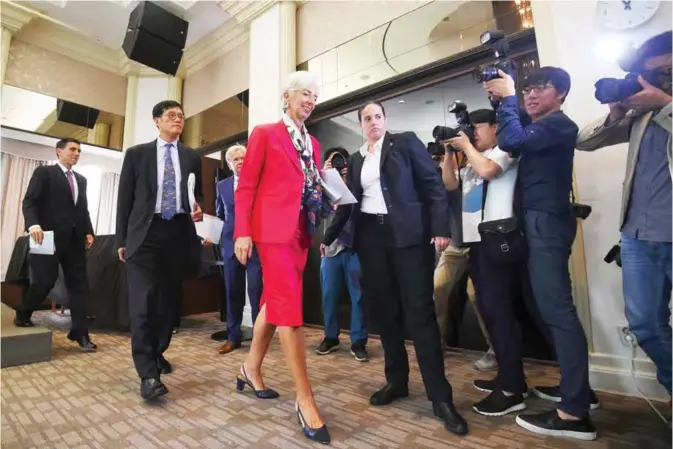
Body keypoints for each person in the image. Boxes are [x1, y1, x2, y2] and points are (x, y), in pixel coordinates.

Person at [323, 101, 468, 437]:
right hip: (371, 240)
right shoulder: (357, 159)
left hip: (409, 238)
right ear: (360, 123)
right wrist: (329, 236)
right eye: (366, 118)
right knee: (385, 313)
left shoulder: (405, 143)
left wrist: (441, 227)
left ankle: (440, 397)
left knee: (420, 313)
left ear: (385, 120)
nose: (372, 121)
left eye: (377, 116)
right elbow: (349, 205)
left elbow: (433, 185)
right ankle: (396, 381)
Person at [484, 67, 596, 439]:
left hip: (547, 223)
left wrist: (508, 95)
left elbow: (512, 139)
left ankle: (574, 413)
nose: (531, 95)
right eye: (528, 88)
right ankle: (576, 389)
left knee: (558, 312)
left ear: (561, 94)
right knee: (549, 309)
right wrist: (504, 100)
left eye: (541, 88)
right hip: (537, 222)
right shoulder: (542, 128)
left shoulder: (560, 125)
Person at [234, 71, 331, 445]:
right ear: (287, 97)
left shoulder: (315, 145)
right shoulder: (265, 133)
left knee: (271, 305)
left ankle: (250, 368)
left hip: (301, 234)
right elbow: (247, 187)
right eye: (305, 94)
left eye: (315, 96)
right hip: (271, 232)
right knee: (289, 310)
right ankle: (305, 400)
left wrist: (329, 193)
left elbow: (309, 186)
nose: (310, 100)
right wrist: (243, 231)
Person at [577, 31, 672, 398]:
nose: (653, 80)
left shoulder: (660, 107)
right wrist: (617, 110)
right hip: (637, 235)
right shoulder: (642, 115)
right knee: (645, 325)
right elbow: (585, 141)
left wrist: (664, 103)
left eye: (664, 71)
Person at [116, 100, 204, 400]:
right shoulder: (137, 154)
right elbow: (124, 201)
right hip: (145, 235)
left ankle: (156, 352)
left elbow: (198, 195)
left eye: (181, 115)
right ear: (157, 121)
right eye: (171, 116)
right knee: (142, 303)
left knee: (169, 305)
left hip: (178, 234)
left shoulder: (192, 156)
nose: (178, 120)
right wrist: (121, 240)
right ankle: (148, 375)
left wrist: (199, 209)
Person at [17, 138, 97, 351]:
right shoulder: (44, 174)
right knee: (44, 280)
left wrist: (88, 230)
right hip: (45, 237)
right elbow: (30, 201)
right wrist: (33, 224)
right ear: (58, 152)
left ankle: (81, 332)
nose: (76, 153)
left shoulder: (81, 180)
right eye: (72, 149)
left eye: (79, 150)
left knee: (80, 286)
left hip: (74, 239)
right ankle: (23, 313)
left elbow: (82, 209)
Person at [317, 147, 369, 362]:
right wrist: (323, 177)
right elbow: (316, 210)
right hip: (329, 249)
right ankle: (331, 336)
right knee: (329, 295)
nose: (338, 166)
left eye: (341, 162)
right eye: (333, 162)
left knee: (359, 296)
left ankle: (358, 341)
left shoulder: (357, 182)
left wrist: (348, 180)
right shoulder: (321, 184)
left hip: (355, 246)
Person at [215, 144, 263, 354]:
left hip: (256, 243)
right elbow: (220, 214)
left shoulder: (259, 182)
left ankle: (259, 338)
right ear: (229, 164)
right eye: (235, 159)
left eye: (243, 157)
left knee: (255, 291)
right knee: (232, 290)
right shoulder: (222, 186)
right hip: (229, 244)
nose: (240, 161)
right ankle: (233, 336)